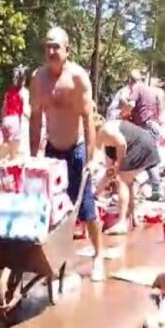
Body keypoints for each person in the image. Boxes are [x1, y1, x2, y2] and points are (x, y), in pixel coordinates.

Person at [30, 26, 104, 282]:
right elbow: (35, 119)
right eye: (48, 46)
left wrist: (91, 159)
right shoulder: (38, 78)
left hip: (77, 150)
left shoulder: (78, 78)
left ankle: (98, 256)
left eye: (56, 46)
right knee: (52, 210)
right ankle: (57, 261)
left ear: (67, 50)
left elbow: (88, 119)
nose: (51, 51)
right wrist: (33, 157)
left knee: (86, 208)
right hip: (52, 152)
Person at [94, 119, 160, 235]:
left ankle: (121, 223)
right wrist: (95, 193)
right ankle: (131, 216)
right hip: (146, 144)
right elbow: (109, 173)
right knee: (127, 181)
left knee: (121, 180)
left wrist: (119, 164)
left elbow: (122, 144)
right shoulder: (108, 144)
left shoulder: (104, 131)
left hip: (140, 145)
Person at [123, 73, 163, 201]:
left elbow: (131, 104)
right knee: (149, 158)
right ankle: (155, 190)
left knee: (140, 157)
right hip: (154, 124)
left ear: (131, 81)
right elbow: (159, 108)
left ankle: (130, 188)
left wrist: (122, 114)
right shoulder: (151, 90)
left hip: (145, 126)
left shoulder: (137, 87)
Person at [0, 66, 29, 159]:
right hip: (18, 122)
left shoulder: (8, 93)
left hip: (6, 120)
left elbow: (3, 109)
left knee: (6, 149)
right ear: (24, 79)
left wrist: (2, 121)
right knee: (17, 152)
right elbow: (25, 110)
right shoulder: (24, 93)